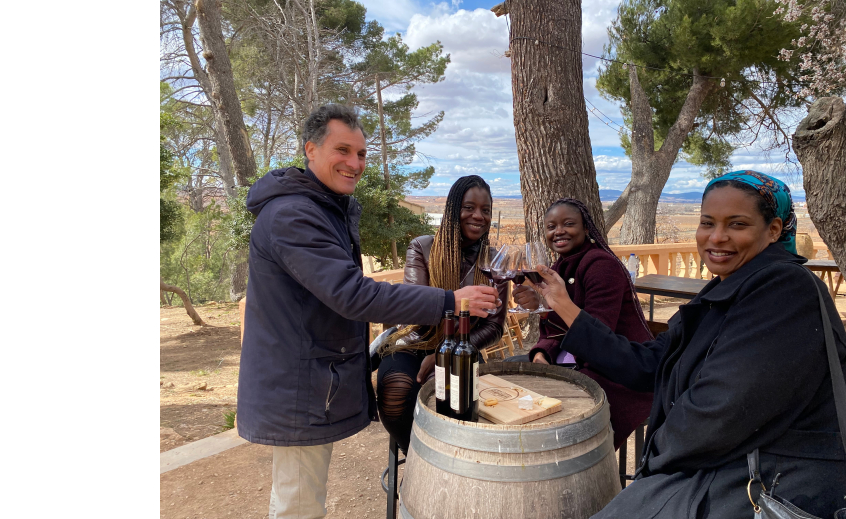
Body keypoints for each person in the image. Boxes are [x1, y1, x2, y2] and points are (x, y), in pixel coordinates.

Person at [530, 171, 846, 518]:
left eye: (737, 224)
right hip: (721, 470)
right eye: (707, 222)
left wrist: (652, 461)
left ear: (773, 230)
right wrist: (561, 303)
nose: (717, 237)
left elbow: (717, 415)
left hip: (764, 487)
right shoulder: (728, 288)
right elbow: (649, 363)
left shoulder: (785, 290)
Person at [237, 104, 498, 519]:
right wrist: (453, 301)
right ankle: (432, 474)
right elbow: (353, 295)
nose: (354, 163)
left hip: (311, 377)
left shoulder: (322, 208)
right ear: (311, 149)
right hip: (298, 383)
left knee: (301, 495)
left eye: (361, 154)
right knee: (298, 503)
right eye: (343, 150)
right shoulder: (294, 215)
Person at [375, 175, 508, 453]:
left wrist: (448, 355)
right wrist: (437, 349)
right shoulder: (423, 247)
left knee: (459, 404)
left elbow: (494, 328)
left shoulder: (496, 263)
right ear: (452, 210)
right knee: (397, 392)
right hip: (415, 343)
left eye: (486, 210)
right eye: (469, 207)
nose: (478, 216)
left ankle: (454, 464)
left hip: (465, 350)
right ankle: (420, 465)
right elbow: (414, 308)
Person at [512, 198, 654, 450]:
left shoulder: (601, 265)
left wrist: (553, 307)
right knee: (507, 379)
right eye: (551, 226)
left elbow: (600, 337)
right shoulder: (560, 266)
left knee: (540, 417)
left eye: (568, 224)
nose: (559, 231)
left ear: (586, 228)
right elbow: (560, 326)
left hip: (615, 373)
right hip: (573, 362)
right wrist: (542, 345)